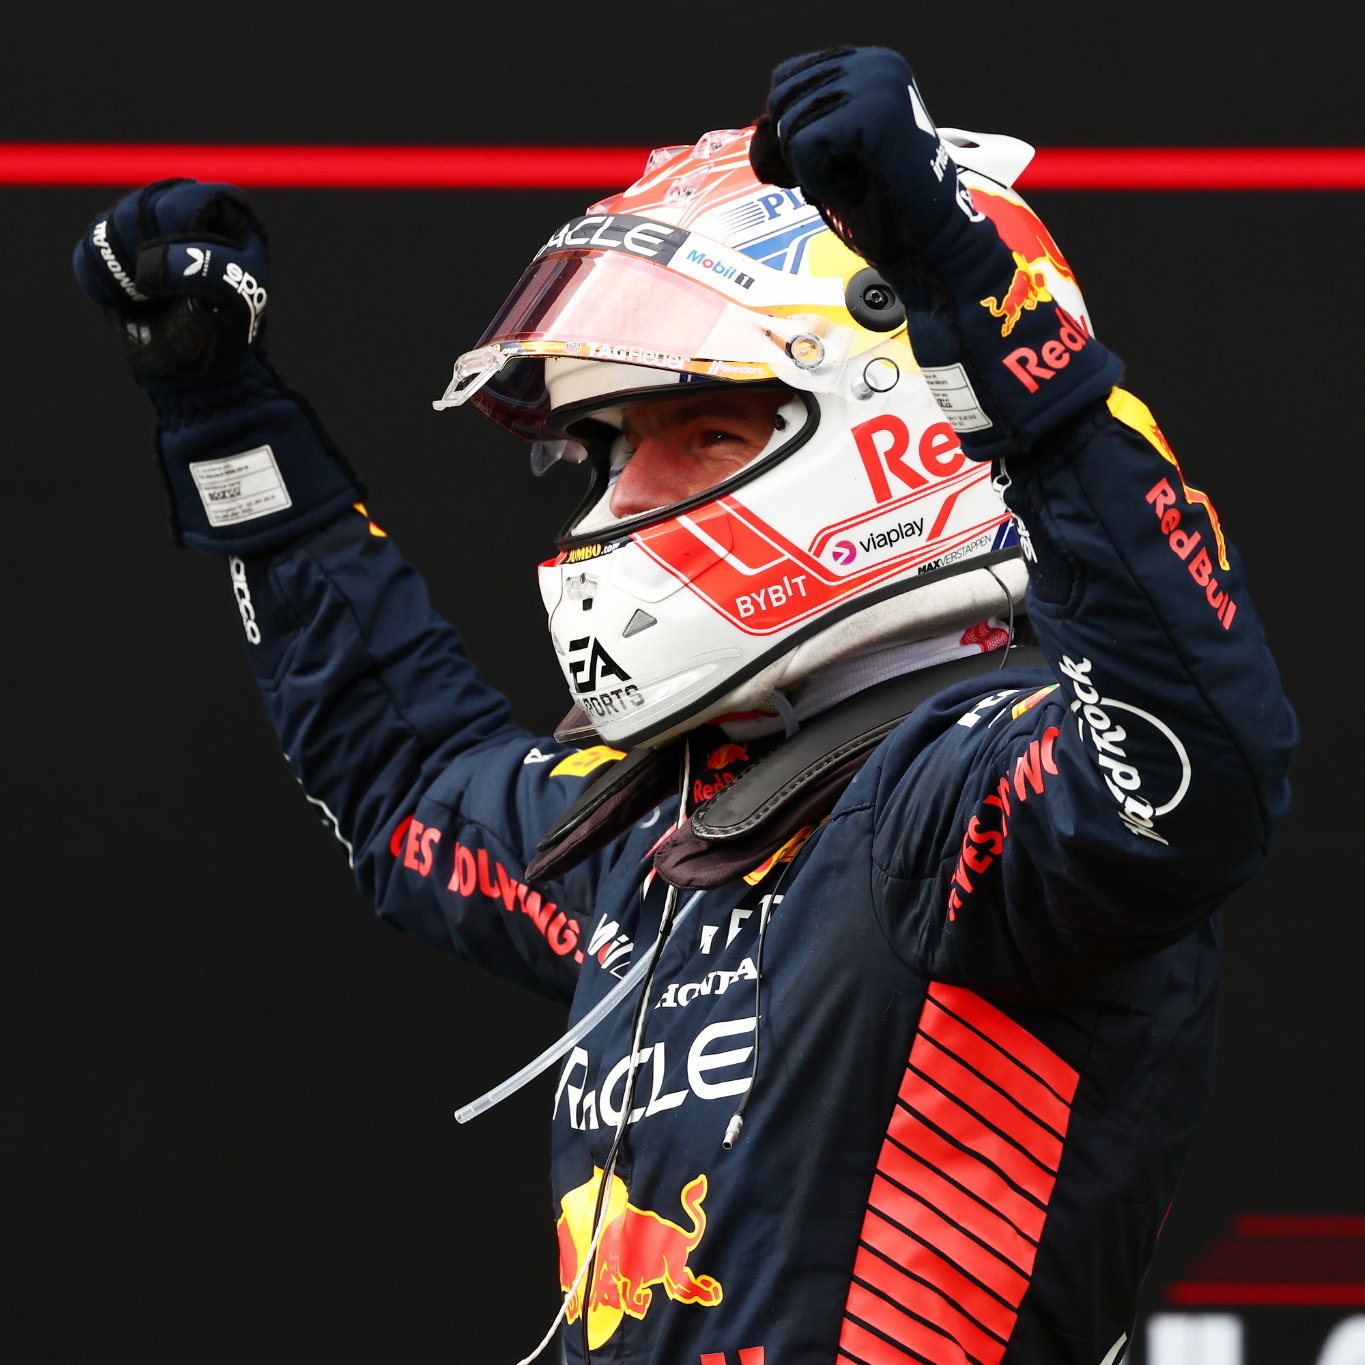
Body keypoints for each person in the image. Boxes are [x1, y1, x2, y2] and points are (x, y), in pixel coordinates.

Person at [73, 44, 1296, 1365]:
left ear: (898, 434)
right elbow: (405, 785)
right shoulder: (666, 833)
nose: (623, 495)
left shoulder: (968, 803)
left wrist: (977, 303)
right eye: (610, 445)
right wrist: (223, 420)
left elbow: (1200, 766)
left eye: (700, 433)